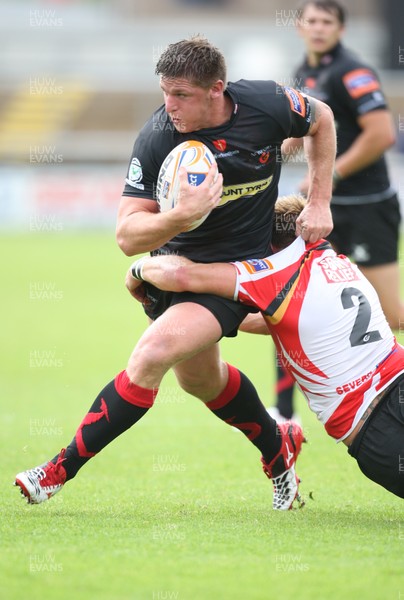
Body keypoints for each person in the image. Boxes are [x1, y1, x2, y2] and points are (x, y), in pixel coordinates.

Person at [14, 36, 336, 511]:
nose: (170, 105)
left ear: (216, 90)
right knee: (202, 382)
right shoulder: (160, 135)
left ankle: (55, 471)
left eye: (181, 95)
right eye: (165, 92)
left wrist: (320, 200)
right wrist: (177, 219)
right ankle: (278, 450)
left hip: (235, 273)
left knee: (153, 354)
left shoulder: (266, 104)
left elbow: (321, 117)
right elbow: (127, 236)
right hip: (174, 269)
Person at [126, 194, 404, 499]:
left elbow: (181, 275)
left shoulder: (272, 276)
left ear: (269, 246)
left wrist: (137, 270)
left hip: (372, 424)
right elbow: (278, 319)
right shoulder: (335, 262)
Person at [256, 0, 403, 422]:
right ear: (300, 26)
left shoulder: (351, 72)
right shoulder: (304, 73)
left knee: (391, 314)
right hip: (321, 210)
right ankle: (284, 413)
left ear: (340, 29)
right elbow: (299, 132)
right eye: (312, 20)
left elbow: (381, 135)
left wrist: (331, 175)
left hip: (366, 208)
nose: (318, 28)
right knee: (287, 300)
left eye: (327, 22)